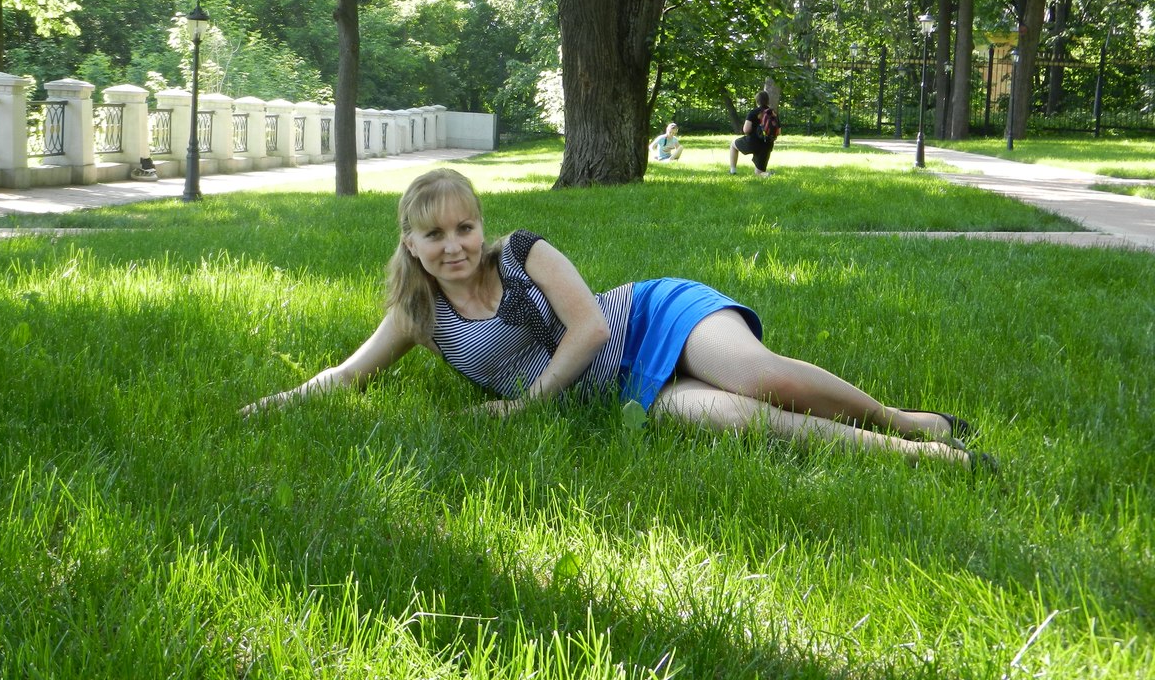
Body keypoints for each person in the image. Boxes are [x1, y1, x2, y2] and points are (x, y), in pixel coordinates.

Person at [242, 169, 995, 475]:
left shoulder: (524, 252)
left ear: (481, 226)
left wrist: (528, 405)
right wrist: (274, 404)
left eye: (465, 227)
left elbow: (593, 331)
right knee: (738, 420)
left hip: (650, 321)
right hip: (624, 395)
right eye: (434, 234)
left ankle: (903, 419)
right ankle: (923, 460)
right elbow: (347, 375)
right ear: (410, 243)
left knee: (761, 376)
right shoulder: (418, 317)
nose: (455, 246)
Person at [729, 91, 778, 176]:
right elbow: (778, 131)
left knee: (733, 145)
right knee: (759, 173)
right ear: (768, 101)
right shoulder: (773, 113)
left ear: (757, 101)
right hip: (767, 145)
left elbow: (746, 130)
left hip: (752, 142)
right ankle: (767, 175)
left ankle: (732, 171)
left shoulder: (753, 112)